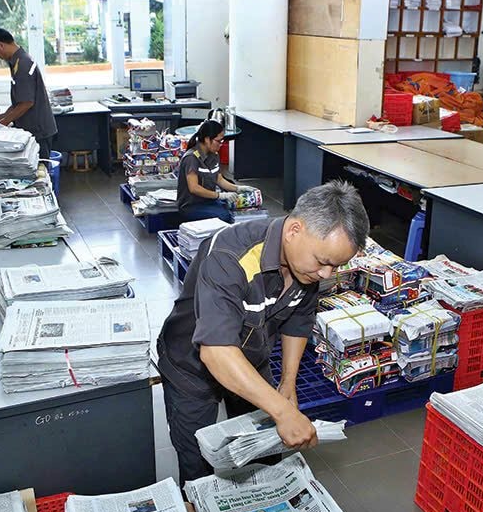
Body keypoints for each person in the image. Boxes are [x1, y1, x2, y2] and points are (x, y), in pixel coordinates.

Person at [157, 181, 370, 483]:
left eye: (336, 267)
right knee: (197, 459)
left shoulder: (304, 267)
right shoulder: (230, 255)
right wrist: (283, 412)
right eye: (323, 262)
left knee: (266, 449)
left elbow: (299, 318)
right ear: (294, 230)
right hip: (191, 367)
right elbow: (216, 351)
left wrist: (288, 382)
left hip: (251, 356)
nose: (326, 274)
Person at [0, 28, 57, 159]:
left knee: (39, 169)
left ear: (1, 45)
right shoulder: (17, 61)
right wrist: (3, 116)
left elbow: (26, 103)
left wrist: (4, 122)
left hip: (37, 130)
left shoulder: (23, 64)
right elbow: (19, 101)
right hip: (33, 128)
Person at [177, 119, 252, 224]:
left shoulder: (214, 155)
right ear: (207, 139)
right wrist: (219, 195)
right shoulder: (191, 158)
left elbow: (218, 179)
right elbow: (194, 188)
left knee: (235, 208)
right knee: (224, 216)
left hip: (209, 201)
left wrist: (238, 188)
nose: (220, 144)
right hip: (192, 206)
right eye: (218, 141)